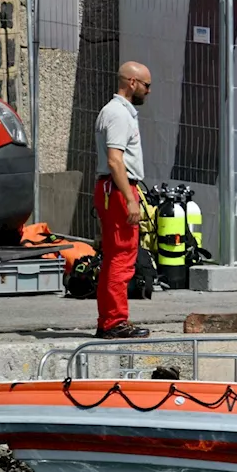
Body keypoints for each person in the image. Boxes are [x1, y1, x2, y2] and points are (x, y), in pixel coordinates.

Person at [94, 61, 153, 339]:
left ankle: (109, 320)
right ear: (132, 82)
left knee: (113, 257)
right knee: (122, 256)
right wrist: (130, 198)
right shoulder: (118, 114)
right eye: (146, 85)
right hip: (118, 189)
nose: (148, 91)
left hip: (112, 189)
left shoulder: (117, 111)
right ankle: (115, 321)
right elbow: (115, 160)